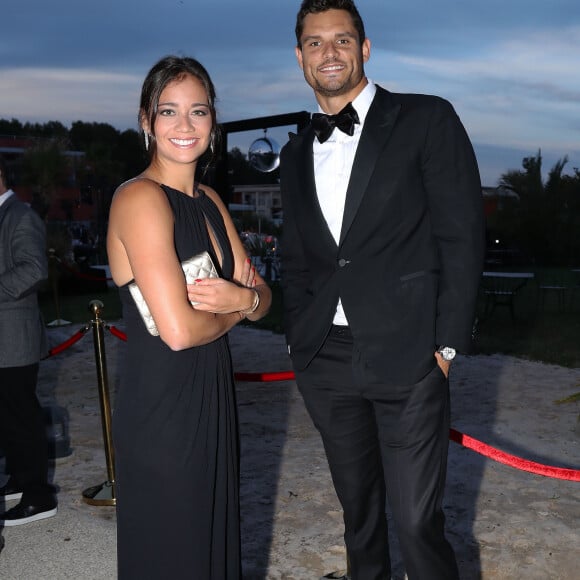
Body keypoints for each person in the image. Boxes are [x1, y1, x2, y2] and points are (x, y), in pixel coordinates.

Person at [279, 1, 485, 579]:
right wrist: (300, 344)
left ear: (365, 49)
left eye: (342, 40)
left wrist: (446, 346)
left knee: (418, 522)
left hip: (411, 353)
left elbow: (462, 235)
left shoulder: (426, 118)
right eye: (315, 43)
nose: (329, 53)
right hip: (326, 359)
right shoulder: (295, 153)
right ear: (300, 57)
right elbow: (296, 259)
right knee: (358, 515)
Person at [106, 55, 271, 579]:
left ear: (213, 123)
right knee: (174, 553)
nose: (184, 126)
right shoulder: (138, 198)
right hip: (163, 410)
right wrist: (236, 307)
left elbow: (264, 296)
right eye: (169, 111)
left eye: (197, 112)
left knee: (210, 545)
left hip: (212, 395)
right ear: (145, 121)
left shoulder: (210, 200)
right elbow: (177, 332)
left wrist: (241, 302)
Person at [0, 154, 57, 527]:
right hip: (6, 339)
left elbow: (35, 269)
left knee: (22, 417)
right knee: (9, 416)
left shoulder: (20, 215)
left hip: (14, 338)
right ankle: (21, 478)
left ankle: (39, 495)